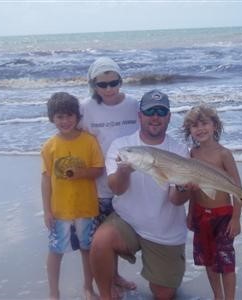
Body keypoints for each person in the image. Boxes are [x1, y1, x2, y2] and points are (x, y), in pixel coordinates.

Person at [90, 89, 191, 300]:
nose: (155, 117)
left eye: (161, 112)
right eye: (149, 111)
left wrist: (184, 187)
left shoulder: (180, 150)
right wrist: (123, 171)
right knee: (100, 241)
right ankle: (106, 295)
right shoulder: (122, 146)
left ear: (169, 117)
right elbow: (116, 188)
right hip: (128, 222)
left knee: (164, 295)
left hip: (165, 230)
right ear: (139, 115)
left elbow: (176, 200)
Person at [80, 57, 139, 295]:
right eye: (101, 84)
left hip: (129, 184)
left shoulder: (133, 104)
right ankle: (106, 282)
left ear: (121, 80)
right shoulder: (86, 107)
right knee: (100, 241)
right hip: (98, 186)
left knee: (115, 237)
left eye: (114, 82)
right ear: (92, 84)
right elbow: (74, 137)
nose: (109, 89)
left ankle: (115, 277)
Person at [41, 92, 104, 300]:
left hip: (86, 208)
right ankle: (53, 293)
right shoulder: (50, 146)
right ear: (52, 118)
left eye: (69, 115)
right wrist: (47, 210)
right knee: (56, 251)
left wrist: (81, 173)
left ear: (77, 116)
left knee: (87, 249)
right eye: (59, 117)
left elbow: (98, 170)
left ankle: (88, 287)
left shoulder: (89, 141)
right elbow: (45, 180)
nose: (65, 121)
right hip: (60, 211)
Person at [183, 104, 241, 300]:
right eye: (194, 126)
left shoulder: (224, 154)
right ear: (189, 130)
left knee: (226, 262)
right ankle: (218, 296)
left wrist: (236, 219)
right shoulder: (192, 154)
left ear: (215, 125)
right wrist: (191, 214)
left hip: (223, 216)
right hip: (200, 214)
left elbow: (238, 189)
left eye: (204, 123)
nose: (200, 129)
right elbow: (193, 189)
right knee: (208, 261)